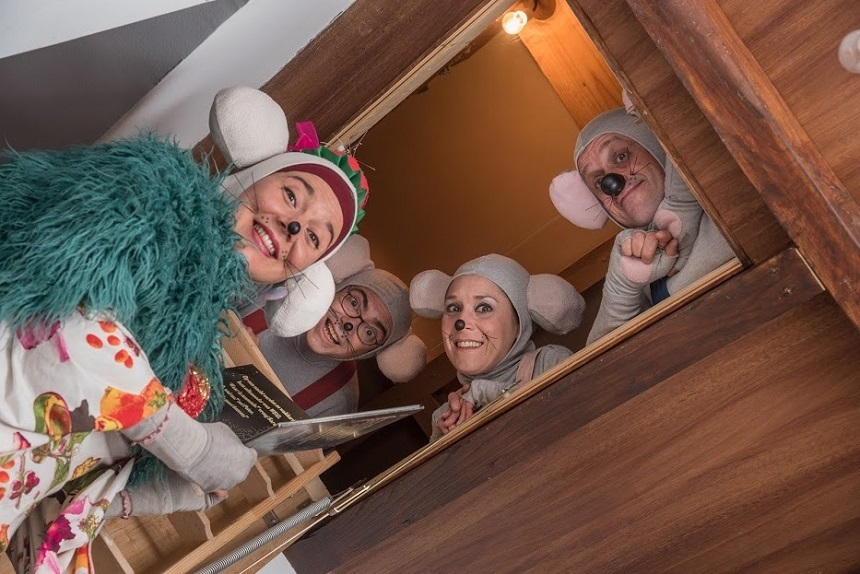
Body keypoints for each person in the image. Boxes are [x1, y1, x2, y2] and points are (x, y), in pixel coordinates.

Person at [0, 86, 369, 572]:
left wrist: (161, 494)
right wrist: (189, 445)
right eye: (291, 194)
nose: (294, 227)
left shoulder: (200, 350)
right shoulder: (152, 191)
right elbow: (58, 332)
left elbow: (64, 472)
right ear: (255, 175)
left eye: (315, 237)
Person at [549, 100, 734, 344]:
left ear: (657, 145)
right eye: (599, 182)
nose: (612, 183)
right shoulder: (641, 279)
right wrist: (621, 287)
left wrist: (681, 206)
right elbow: (605, 361)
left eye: (621, 156)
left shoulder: (730, 199)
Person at [410, 254, 586, 441]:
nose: (460, 322)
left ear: (518, 324)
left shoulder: (549, 362)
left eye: (484, 308)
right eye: (453, 308)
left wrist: (484, 392)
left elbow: (581, 424)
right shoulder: (444, 417)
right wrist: (444, 440)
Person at [257, 235, 426, 417]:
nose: (350, 324)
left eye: (369, 332)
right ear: (337, 289)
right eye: (354, 303)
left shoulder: (337, 405)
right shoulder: (278, 285)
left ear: (369, 352)